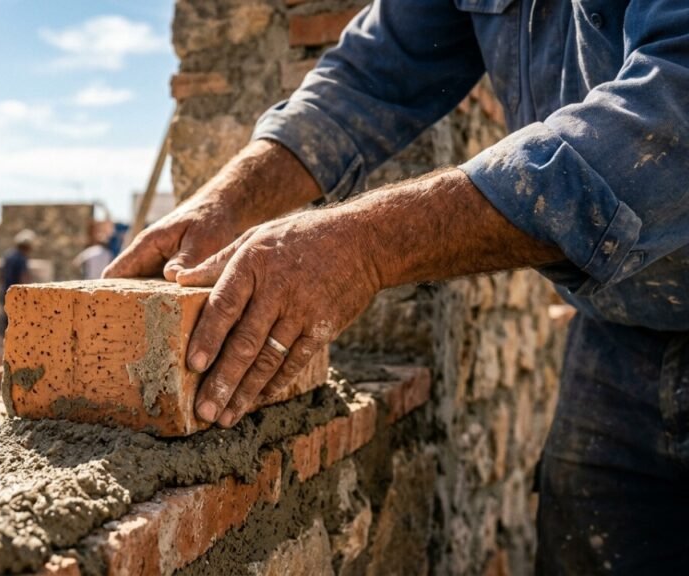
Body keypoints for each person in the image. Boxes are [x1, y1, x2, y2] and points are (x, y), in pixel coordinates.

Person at [106, 2, 689, 573]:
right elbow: (371, 75)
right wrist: (230, 199)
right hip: (619, 337)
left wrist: (363, 246)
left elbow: (668, 120)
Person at [2, 229, 35, 329]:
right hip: (18, 293)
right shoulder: (21, 258)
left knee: (7, 318)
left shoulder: (8, 255)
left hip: (6, 290)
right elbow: (23, 277)